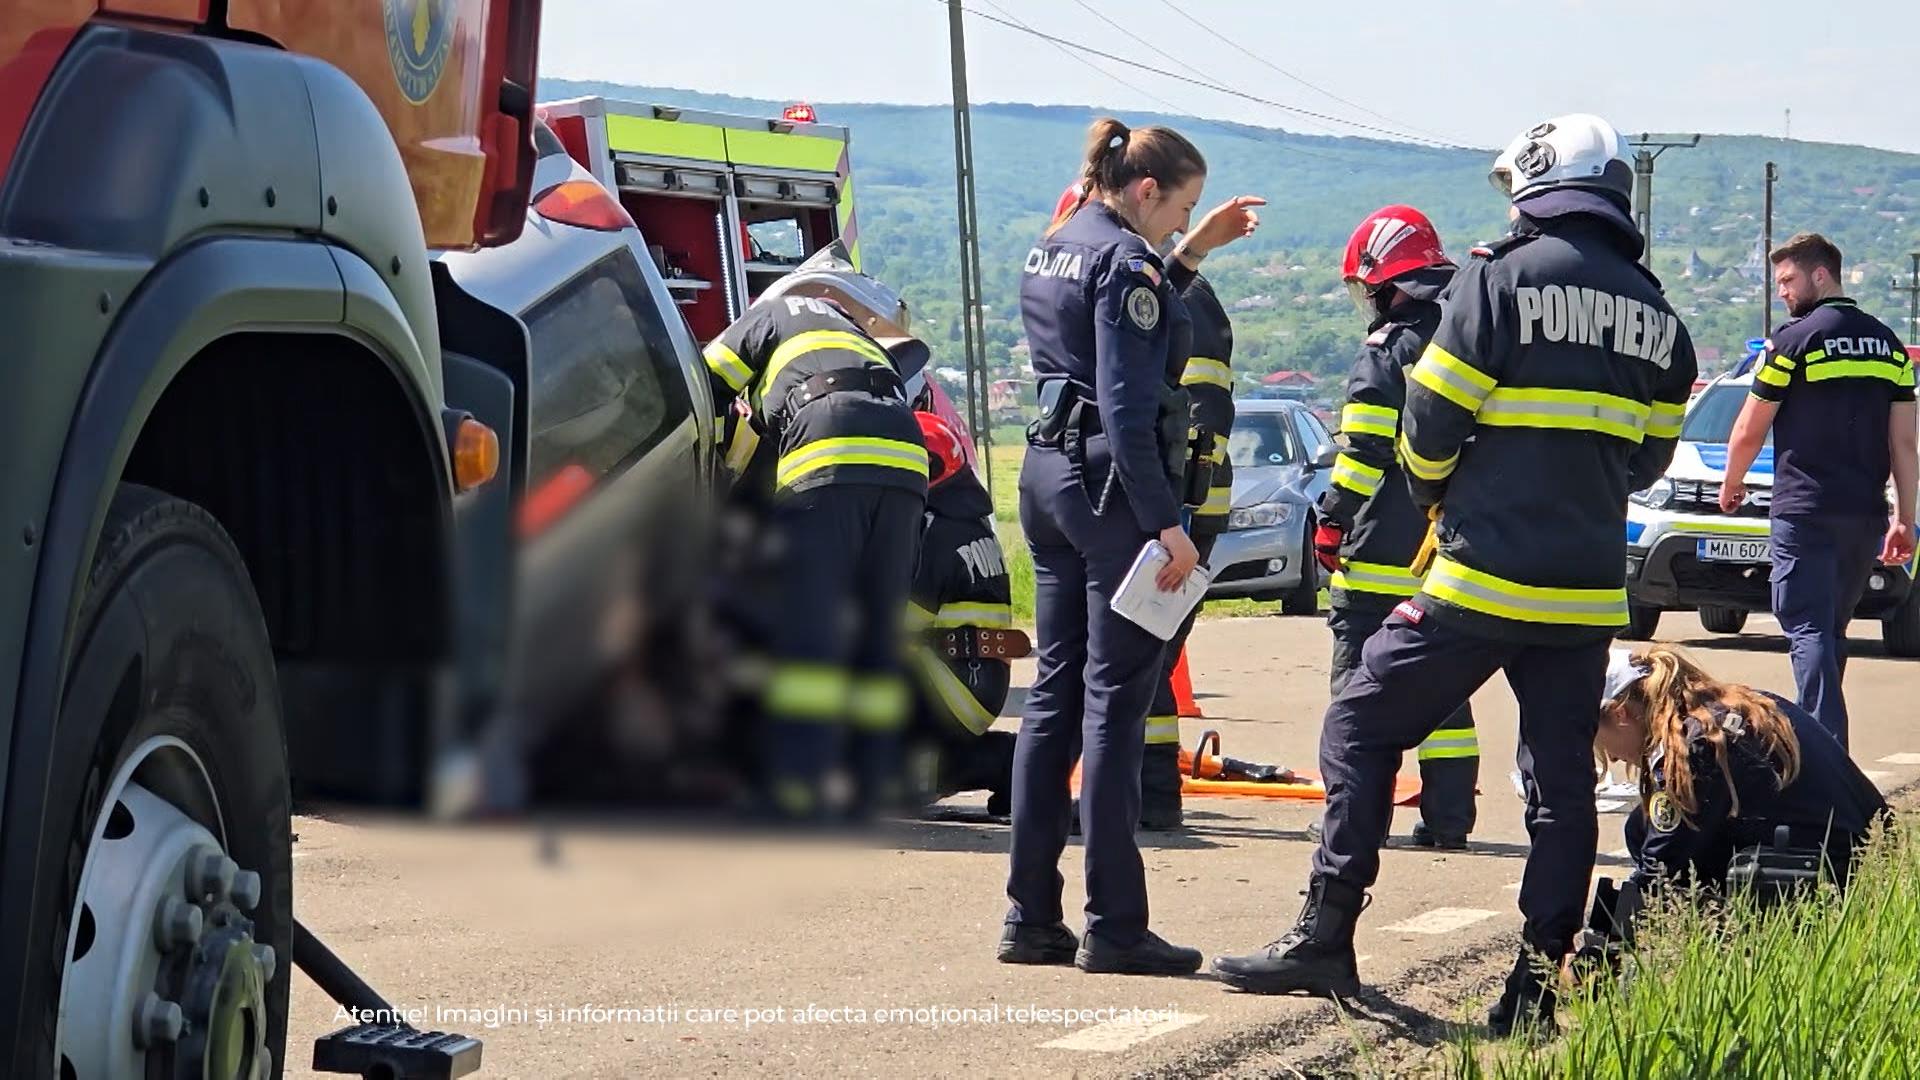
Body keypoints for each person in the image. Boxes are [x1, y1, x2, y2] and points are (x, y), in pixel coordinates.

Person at [1212, 113, 1699, 1038]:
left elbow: (1427, 427)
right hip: (1587, 593)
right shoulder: (1660, 314)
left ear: (1537, 184)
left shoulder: (1498, 278)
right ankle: (1537, 984)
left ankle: (1328, 928)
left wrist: (1441, 499)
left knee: (1359, 721)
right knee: (1559, 789)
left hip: (1477, 580)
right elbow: (1645, 464)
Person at [1001, 116, 1259, 975]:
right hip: (1112, 487)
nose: (1179, 228)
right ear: (1146, 191)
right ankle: (1116, 925)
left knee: (1054, 700)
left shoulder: (1062, 240)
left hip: (1046, 476)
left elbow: (1105, 326)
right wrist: (1168, 526)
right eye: (1179, 211)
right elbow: (1123, 396)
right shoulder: (1124, 260)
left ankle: (1031, 917)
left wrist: (1188, 259)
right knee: (1115, 706)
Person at [701, 247, 930, 821]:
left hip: (829, 449)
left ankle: (795, 792)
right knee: (878, 631)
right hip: (905, 458)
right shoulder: (852, 331)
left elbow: (703, 385)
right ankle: (873, 787)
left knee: (809, 633)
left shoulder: (769, 315)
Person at [1311, 205, 1480, 850]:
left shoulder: (1388, 348)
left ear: (1390, 282)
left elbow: (1363, 452)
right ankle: (1449, 819)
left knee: (1358, 682)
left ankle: (1354, 817)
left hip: (1380, 546)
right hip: (1448, 546)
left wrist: (1331, 521)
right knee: (1441, 681)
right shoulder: (1469, 329)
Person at [1718, 232, 1918, 748]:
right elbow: (1904, 445)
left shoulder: (1791, 341)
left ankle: (1823, 750)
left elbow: (1748, 428)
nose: (1782, 291)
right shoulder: (1889, 345)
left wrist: (1732, 482)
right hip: (1863, 516)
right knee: (1829, 632)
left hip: (1805, 510)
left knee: (1806, 629)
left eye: (1788, 280)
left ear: (1820, 275)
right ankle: (1823, 743)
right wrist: (1904, 518)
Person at [1139, 269, 1238, 830]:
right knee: (1152, 658)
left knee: (1147, 658)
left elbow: (1203, 413)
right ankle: (1149, 793)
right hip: (1181, 510)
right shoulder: (1179, 291)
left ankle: (1151, 797)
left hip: (1179, 513)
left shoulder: (1182, 299)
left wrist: (1173, 509)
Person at [905, 411, 1018, 815]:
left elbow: (901, 626)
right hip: (974, 683)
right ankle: (1005, 761)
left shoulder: (934, 532)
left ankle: (1001, 761)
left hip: (950, 686)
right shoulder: (970, 525)